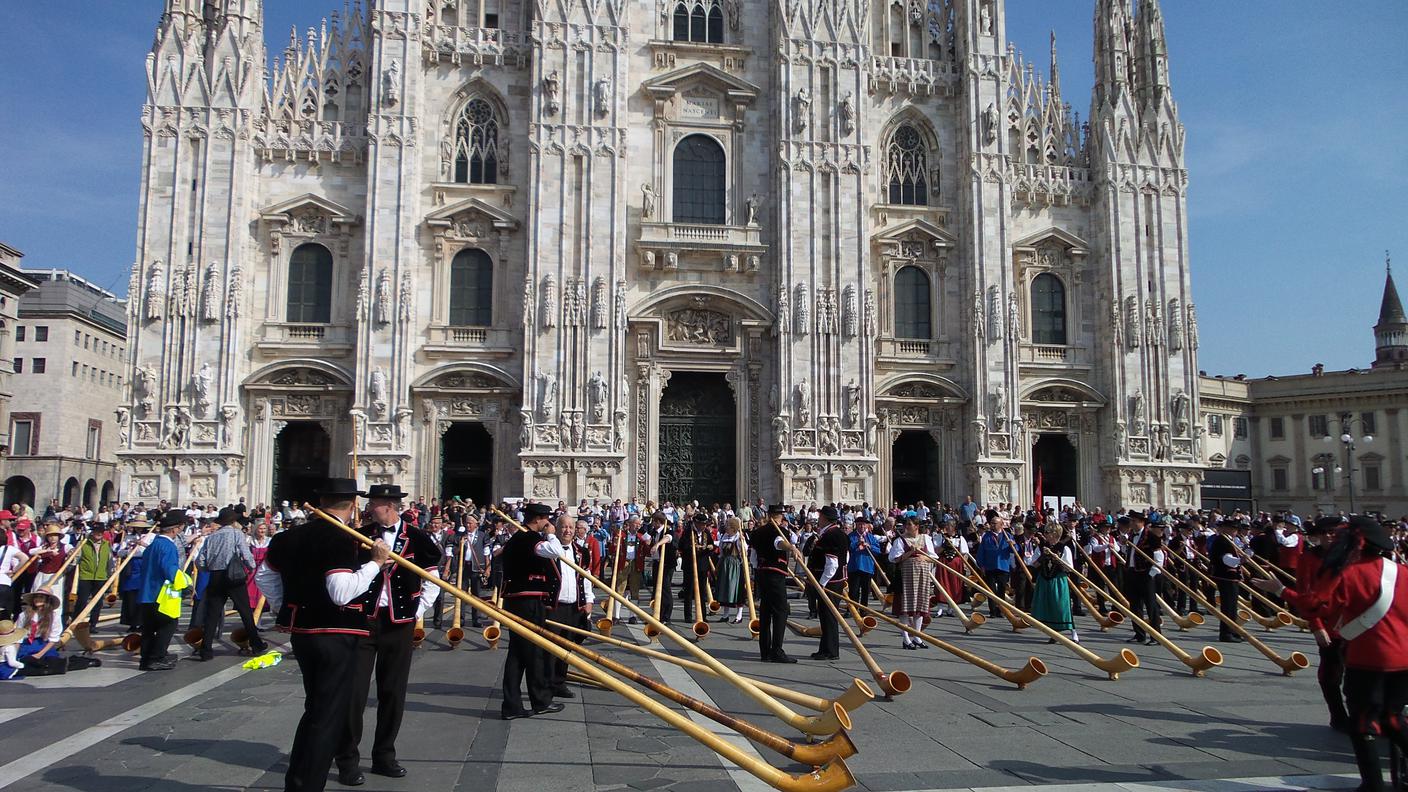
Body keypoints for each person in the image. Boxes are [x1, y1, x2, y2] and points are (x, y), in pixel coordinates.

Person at [1255, 516, 1408, 792]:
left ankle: (1372, 784)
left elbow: (1316, 605)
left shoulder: (1347, 573)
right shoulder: (1402, 571)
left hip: (1369, 657)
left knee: (1363, 723)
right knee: (1394, 718)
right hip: (1404, 657)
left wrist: (1281, 590)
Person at [256, 477, 390, 792]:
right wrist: (375, 564)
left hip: (303, 634)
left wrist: (287, 606)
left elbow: (264, 576)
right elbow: (341, 592)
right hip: (336, 634)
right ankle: (306, 785)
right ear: (353, 504)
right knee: (328, 716)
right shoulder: (342, 537)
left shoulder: (288, 536)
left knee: (316, 709)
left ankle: (299, 781)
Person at [336, 483, 441, 784]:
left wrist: (417, 610)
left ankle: (384, 755)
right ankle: (347, 759)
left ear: (391, 505)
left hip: (399, 623)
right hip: (363, 622)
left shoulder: (418, 538)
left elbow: (433, 578)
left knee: (393, 692)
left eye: (376, 504)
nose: (370, 508)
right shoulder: (360, 536)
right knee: (354, 693)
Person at [496, 502, 567, 720]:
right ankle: (540, 700)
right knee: (534, 653)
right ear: (539, 519)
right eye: (547, 519)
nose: (549, 523)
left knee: (517, 654)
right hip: (527, 602)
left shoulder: (519, 538)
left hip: (520, 600)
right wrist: (551, 535)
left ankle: (512, 704)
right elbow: (557, 552)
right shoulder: (529, 539)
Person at [194, 507, 267, 660]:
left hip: (215, 577)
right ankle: (256, 643)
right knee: (245, 612)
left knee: (212, 614)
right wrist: (251, 566)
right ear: (233, 521)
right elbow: (245, 554)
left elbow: (200, 561)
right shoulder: (236, 534)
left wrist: (210, 568)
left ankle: (206, 649)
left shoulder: (211, 537)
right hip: (234, 577)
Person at [547, 519, 594, 698]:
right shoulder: (549, 549)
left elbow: (586, 577)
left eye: (571, 527)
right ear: (557, 529)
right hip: (554, 605)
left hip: (574, 605)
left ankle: (559, 682)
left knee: (567, 648)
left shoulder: (581, 552)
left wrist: (588, 600)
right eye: (564, 527)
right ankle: (547, 684)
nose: (567, 530)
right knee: (551, 647)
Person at [136, 511, 185, 671]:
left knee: (149, 628)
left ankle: (145, 658)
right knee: (169, 624)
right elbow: (169, 569)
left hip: (146, 593)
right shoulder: (168, 546)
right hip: (160, 594)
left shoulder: (152, 545)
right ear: (175, 529)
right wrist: (184, 583)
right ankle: (157, 656)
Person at [751, 505, 795, 663]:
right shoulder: (779, 531)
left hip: (762, 573)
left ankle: (765, 651)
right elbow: (779, 543)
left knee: (765, 611)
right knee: (781, 611)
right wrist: (790, 547)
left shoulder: (757, 533)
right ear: (780, 516)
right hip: (775, 574)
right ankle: (777, 650)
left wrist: (758, 570)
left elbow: (753, 556)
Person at [807, 506, 848, 660]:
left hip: (829, 582)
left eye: (820, 517)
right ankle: (824, 648)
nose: (818, 519)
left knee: (829, 615)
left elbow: (833, 563)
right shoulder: (838, 534)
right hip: (835, 580)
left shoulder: (831, 536)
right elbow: (846, 557)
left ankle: (831, 651)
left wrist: (822, 583)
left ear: (824, 518)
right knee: (825, 615)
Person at [889, 516, 935, 649]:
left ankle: (917, 636)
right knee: (905, 607)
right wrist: (910, 553)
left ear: (916, 526)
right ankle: (906, 638)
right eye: (906, 524)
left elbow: (933, 557)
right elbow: (894, 558)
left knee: (919, 606)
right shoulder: (900, 540)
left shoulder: (926, 538)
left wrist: (924, 557)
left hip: (922, 575)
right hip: (906, 575)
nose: (907, 527)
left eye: (910, 524)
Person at [1031, 527, 1079, 643]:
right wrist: (1043, 556)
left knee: (1061, 606)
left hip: (1058, 579)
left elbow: (1069, 568)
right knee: (1047, 606)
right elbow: (1034, 564)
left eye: (1048, 532)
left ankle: (1073, 631)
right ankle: (1053, 633)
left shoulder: (1064, 548)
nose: (1046, 535)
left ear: (1055, 534)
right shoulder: (1042, 547)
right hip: (1044, 579)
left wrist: (1058, 560)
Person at [1124, 518, 1165, 646]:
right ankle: (1139, 634)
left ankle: (1156, 636)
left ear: (1142, 522)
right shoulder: (1131, 535)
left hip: (1146, 575)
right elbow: (1130, 554)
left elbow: (1159, 558)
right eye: (1132, 521)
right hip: (1132, 573)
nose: (1132, 524)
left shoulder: (1152, 536)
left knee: (1151, 606)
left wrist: (1150, 574)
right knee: (1135, 605)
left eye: (1134, 521)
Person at [1208, 518, 1245, 643]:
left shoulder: (1228, 540)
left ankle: (1232, 630)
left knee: (1232, 606)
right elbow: (1226, 559)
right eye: (1232, 529)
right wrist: (1240, 561)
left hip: (1231, 577)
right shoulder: (1222, 541)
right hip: (1225, 576)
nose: (1235, 531)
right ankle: (1226, 633)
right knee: (1228, 606)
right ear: (1225, 528)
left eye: (1235, 529)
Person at [975, 511, 1015, 618]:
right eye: (991, 523)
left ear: (1001, 525)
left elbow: (1015, 551)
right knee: (991, 590)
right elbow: (981, 552)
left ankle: (1001, 610)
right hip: (990, 566)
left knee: (1001, 590)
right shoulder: (986, 536)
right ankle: (992, 610)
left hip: (1003, 566)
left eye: (995, 523)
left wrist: (1013, 545)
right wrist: (981, 565)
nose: (992, 525)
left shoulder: (1008, 536)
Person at [714, 517, 746, 624]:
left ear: (733, 528)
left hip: (735, 566)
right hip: (725, 565)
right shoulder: (724, 537)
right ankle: (725, 615)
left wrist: (742, 542)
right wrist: (717, 567)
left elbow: (744, 552)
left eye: (728, 525)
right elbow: (722, 554)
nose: (726, 527)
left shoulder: (738, 538)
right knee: (725, 589)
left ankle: (739, 615)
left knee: (736, 590)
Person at [848, 518, 882, 608]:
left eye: (863, 524)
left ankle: (864, 609)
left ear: (866, 526)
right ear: (856, 525)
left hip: (867, 567)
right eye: (859, 524)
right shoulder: (851, 536)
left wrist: (869, 546)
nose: (862, 526)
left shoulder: (870, 537)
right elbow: (848, 547)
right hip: (854, 567)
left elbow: (878, 551)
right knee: (853, 591)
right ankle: (852, 609)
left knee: (865, 591)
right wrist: (857, 543)